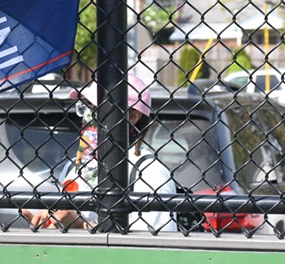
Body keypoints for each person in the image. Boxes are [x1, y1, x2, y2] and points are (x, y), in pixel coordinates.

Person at [24, 74, 177, 232]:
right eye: (87, 105)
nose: (88, 115)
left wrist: (79, 225)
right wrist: (45, 224)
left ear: (132, 117)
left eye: (97, 108)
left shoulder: (150, 173)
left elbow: (153, 248)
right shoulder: (73, 167)